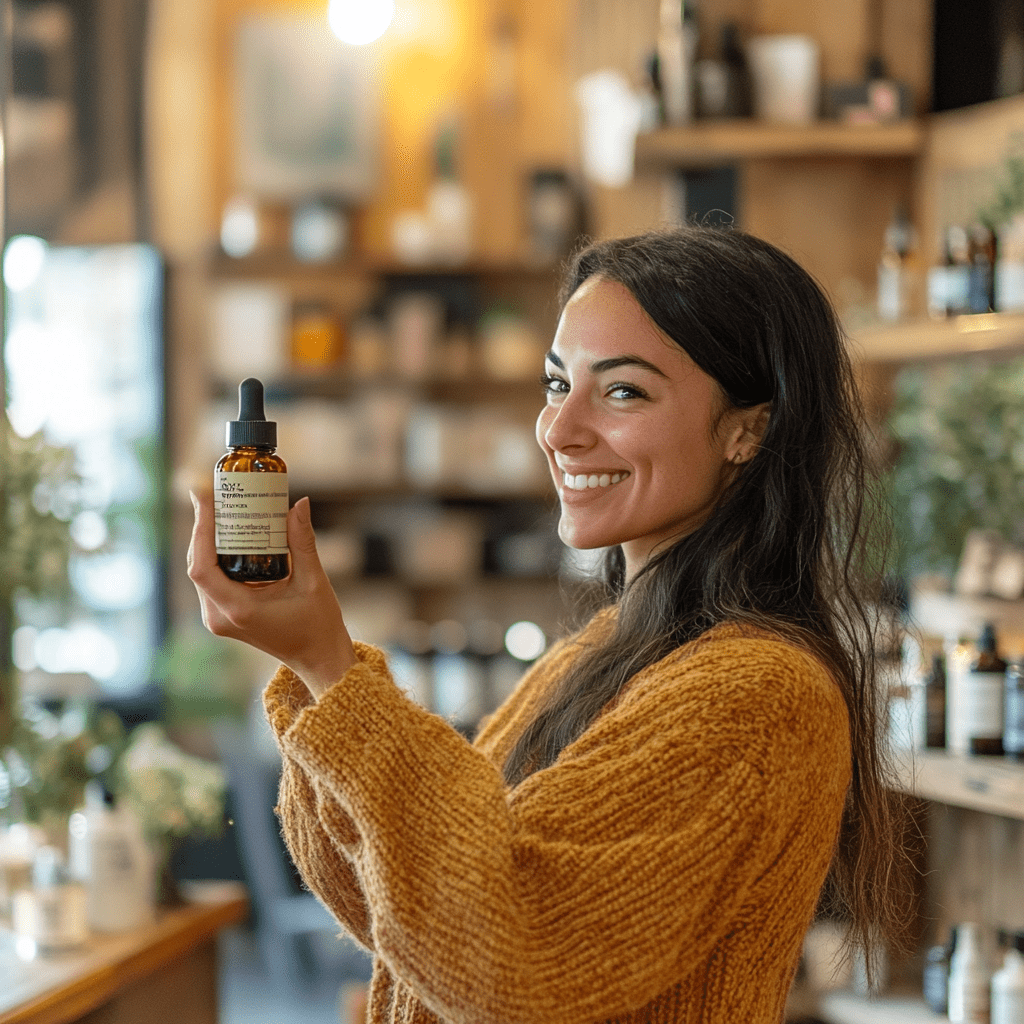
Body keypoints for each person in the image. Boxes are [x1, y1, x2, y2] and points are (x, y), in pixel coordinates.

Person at [188, 226, 914, 1024]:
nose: (560, 430)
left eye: (624, 391)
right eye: (557, 383)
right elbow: (393, 908)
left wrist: (333, 668)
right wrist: (319, 680)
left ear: (750, 428)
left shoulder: (757, 696)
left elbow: (510, 959)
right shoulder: (601, 653)